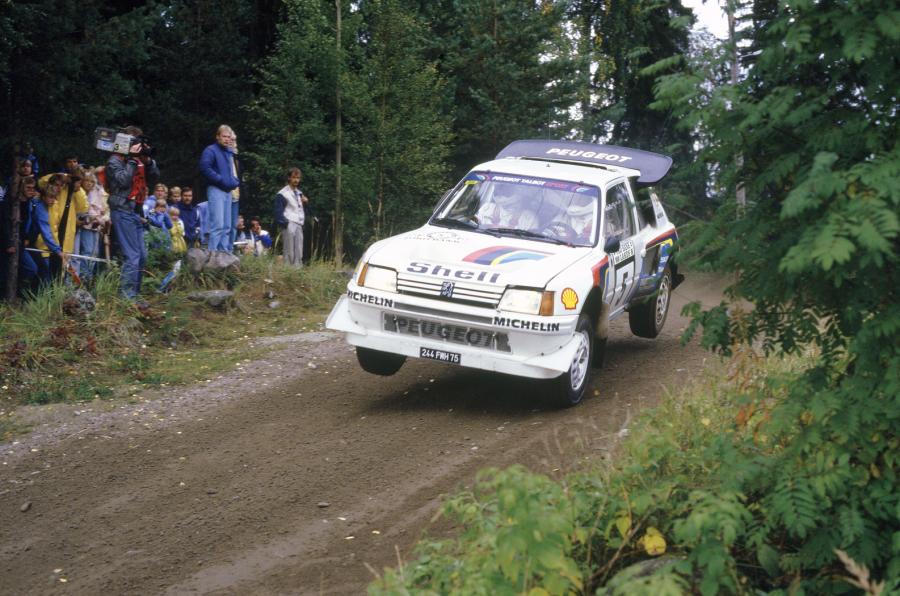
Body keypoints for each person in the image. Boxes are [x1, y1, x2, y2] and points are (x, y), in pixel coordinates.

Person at [106, 125, 159, 300]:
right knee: (132, 255)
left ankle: (134, 294)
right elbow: (122, 180)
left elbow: (155, 176)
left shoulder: (138, 160)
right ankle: (126, 297)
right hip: (121, 210)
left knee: (142, 256)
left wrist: (148, 160)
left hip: (136, 212)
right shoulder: (114, 160)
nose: (136, 145)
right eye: (133, 142)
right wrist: (132, 160)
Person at [198, 124, 240, 253]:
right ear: (217, 137)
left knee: (227, 226)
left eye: (228, 137)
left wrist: (234, 182)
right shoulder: (210, 150)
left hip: (228, 192)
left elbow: (233, 172)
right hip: (216, 190)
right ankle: (212, 255)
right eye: (224, 136)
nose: (227, 139)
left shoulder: (228, 152)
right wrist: (220, 180)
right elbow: (205, 168)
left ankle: (224, 255)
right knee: (218, 225)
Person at [21, 180, 65, 289]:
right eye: (50, 197)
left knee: (42, 271)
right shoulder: (40, 207)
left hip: (29, 240)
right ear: (43, 196)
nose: (53, 200)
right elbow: (46, 232)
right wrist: (57, 250)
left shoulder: (38, 203)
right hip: (24, 241)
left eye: (54, 197)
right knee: (40, 270)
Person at [77, 168, 109, 280]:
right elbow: (86, 210)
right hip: (86, 226)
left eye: (91, 181)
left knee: (94, 253)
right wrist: (96, 218)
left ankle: (89, 276)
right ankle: (84, 276)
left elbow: (104, 210)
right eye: (87, 181)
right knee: (87, 251)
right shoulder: (81, 192)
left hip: (97, 226)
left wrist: (101, 219)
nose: (89, 183)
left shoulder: (97, 192)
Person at [273, 167, 307, 266]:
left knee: (299, 250)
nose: (296, 180)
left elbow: (300, 209)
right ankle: (288, 272)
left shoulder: (299, 193)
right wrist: (285, 223)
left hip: (299, 223)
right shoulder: (283, 193)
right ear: (289, 178)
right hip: (289, 222)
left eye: (298, 178)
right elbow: (278, 211)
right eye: (294, 177)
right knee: (289, 251)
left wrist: (306, 202)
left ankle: (297, 272)